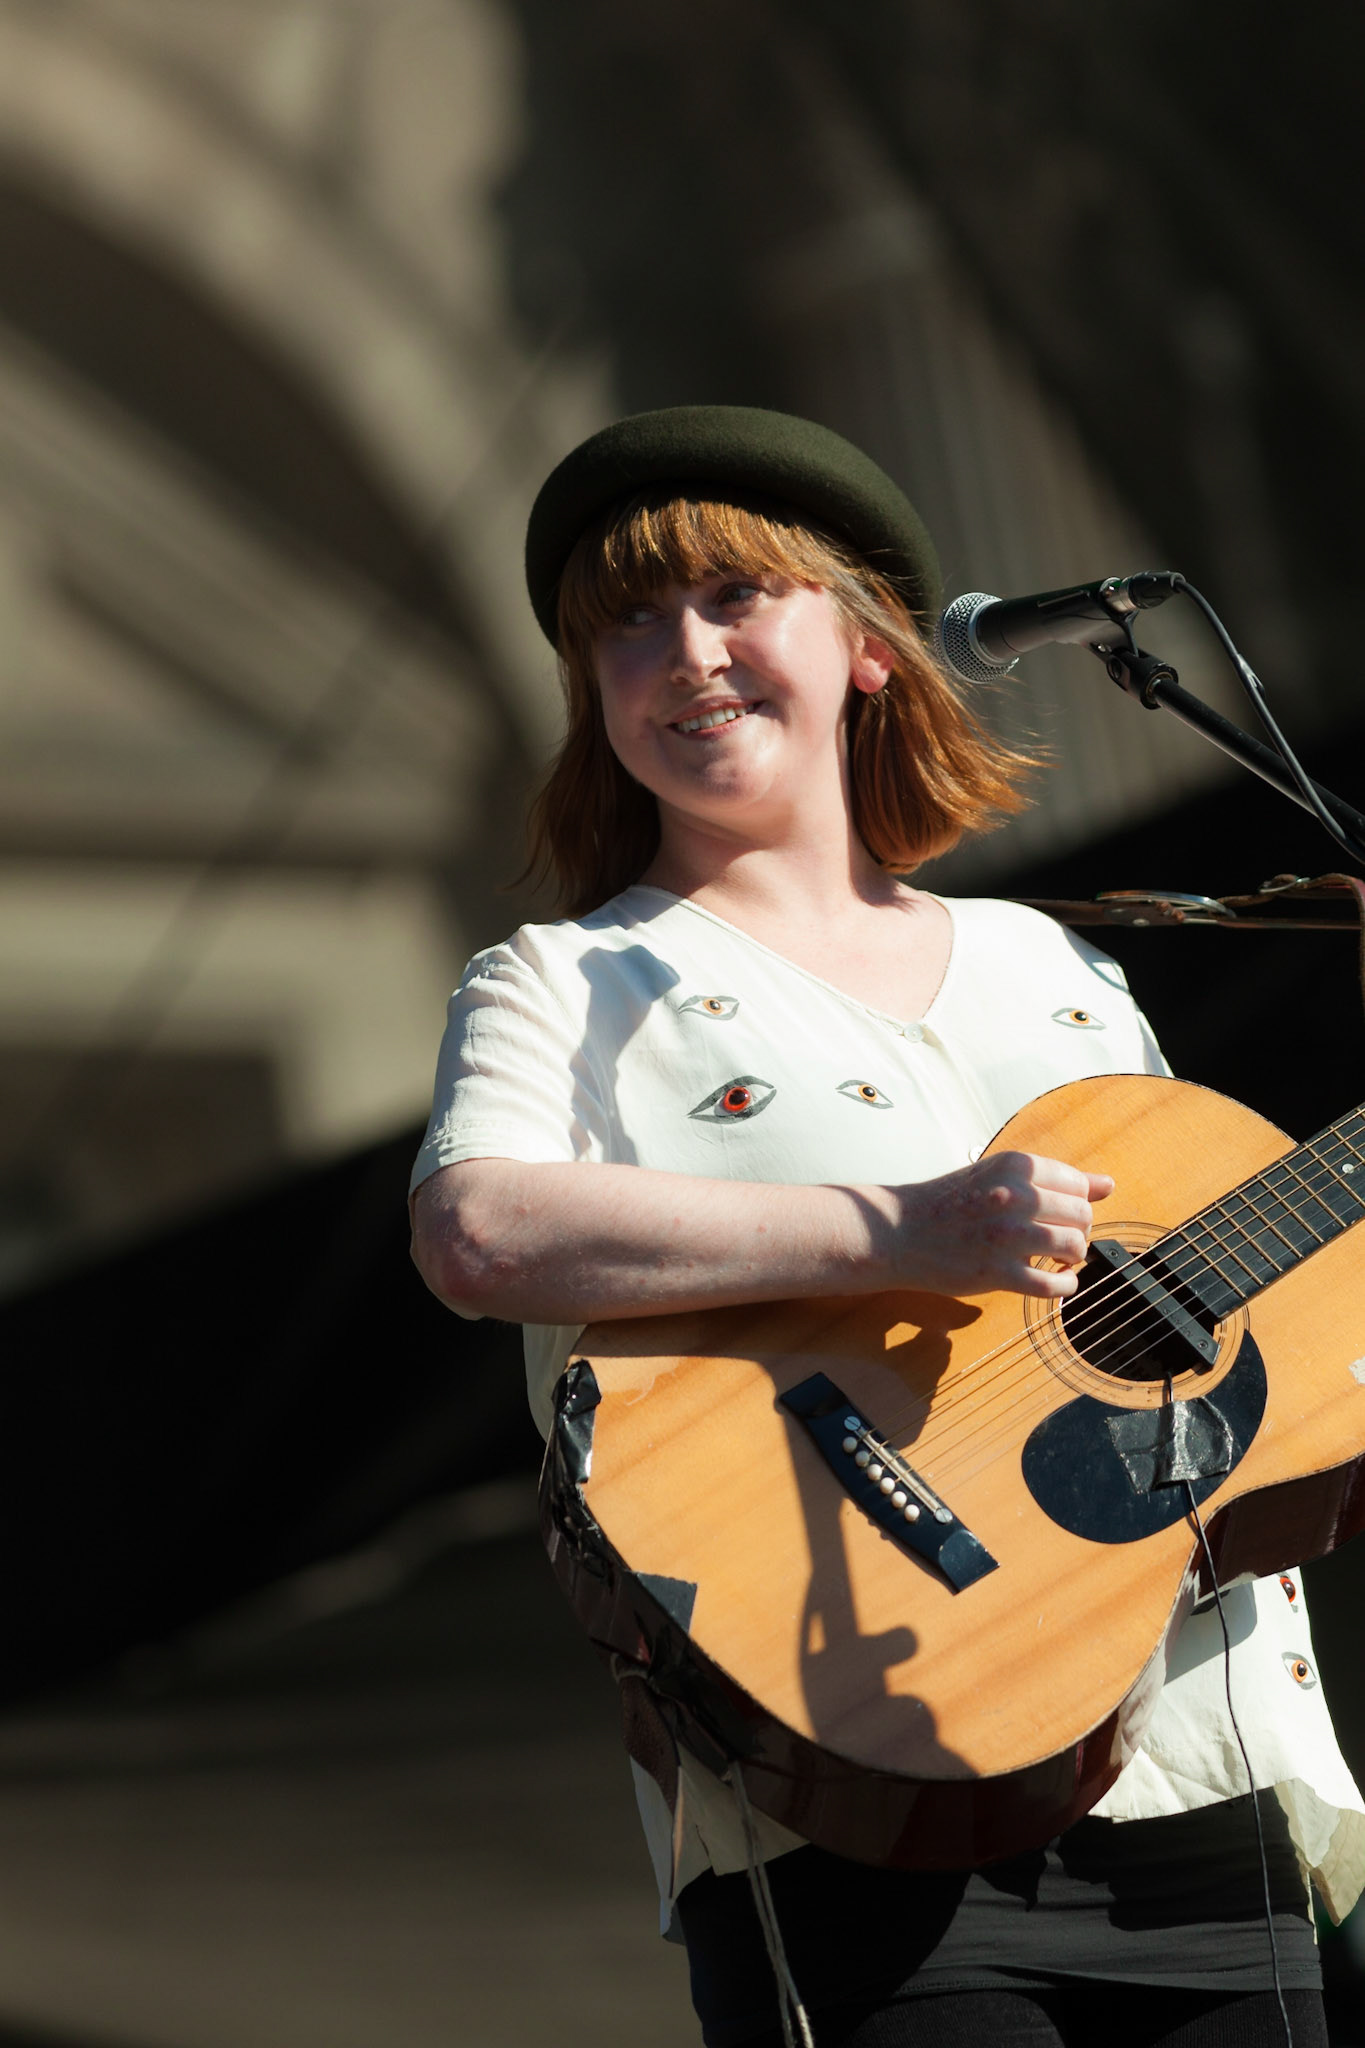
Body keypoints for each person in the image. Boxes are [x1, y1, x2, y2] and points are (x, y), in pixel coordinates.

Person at [410, 407, 1363, 2047]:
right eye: (627, 621)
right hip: (842, 1806)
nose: (683, 652)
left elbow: (1241, 1333)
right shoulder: (565, 981)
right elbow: (480, 1232)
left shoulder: (1053, 970)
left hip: (1210, 1787)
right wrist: (897, 1228)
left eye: (731, 598)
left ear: (864, 645)